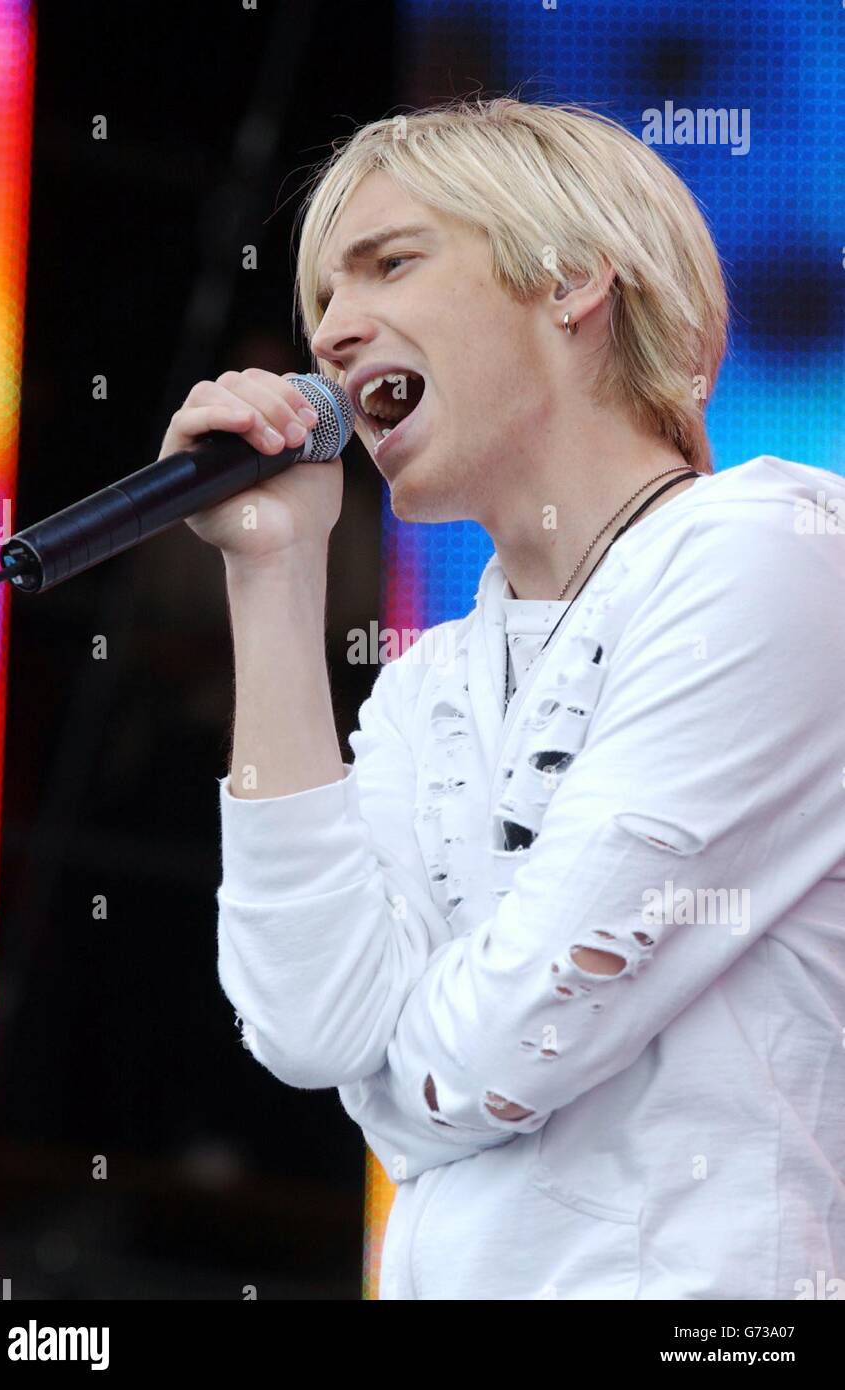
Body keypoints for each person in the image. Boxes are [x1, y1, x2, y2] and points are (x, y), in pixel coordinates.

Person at [165, 98, 845, 1300]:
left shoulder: (770, 553)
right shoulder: (428, 679)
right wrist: (270, 573)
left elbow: (486, 1060)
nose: (329, 333)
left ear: (571, 280)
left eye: (389, 264)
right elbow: (309, 1030)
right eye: (321, 296)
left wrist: (394, 1081)